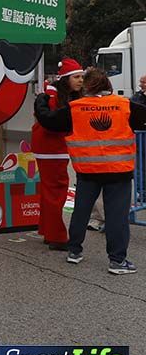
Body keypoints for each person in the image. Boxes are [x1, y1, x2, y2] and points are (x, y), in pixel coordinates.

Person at [37, 68, 146, 274]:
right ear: (108, 85)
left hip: (87, 170)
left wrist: (41, 100)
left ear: (86, 86)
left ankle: (74, 251)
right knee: (116, 216)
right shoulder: (124, 105)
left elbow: (48, 120)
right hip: (118, 171)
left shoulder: (75, 107)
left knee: (81, 211)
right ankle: (117, 261)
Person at [32, 59, 84, 250]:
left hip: (49, 147)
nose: (80, 81)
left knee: (50, 191)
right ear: (65, 79)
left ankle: (49, 231)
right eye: (76, 77)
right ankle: (57, 236)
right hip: (52, 148)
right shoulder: (54, 96)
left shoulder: (52, 94)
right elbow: (53, 121)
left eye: (82, 77)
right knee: (56, 192)